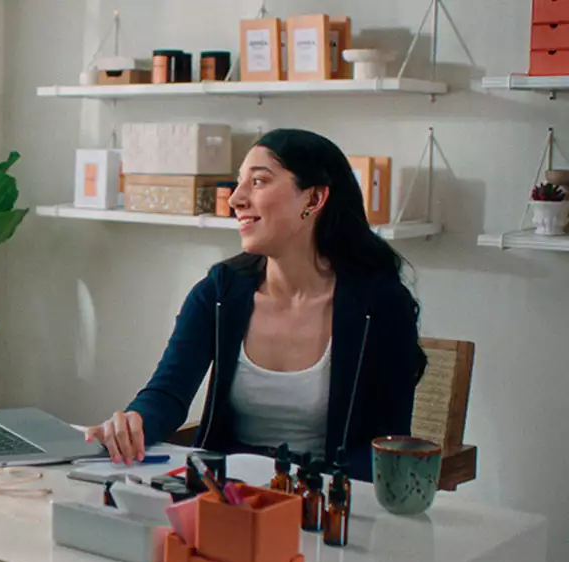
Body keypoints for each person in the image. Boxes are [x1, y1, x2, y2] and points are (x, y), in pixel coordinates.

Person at [86, 129, 426, 482]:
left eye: (259, 181)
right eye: (238, 184)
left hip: (324, 507)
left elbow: (385, 446)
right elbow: (168, 394)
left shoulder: (381, 306)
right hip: (225, 498)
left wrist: (297, 494)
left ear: (313, 198)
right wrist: (133, 422)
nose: (236, 199)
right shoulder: (219, 293)